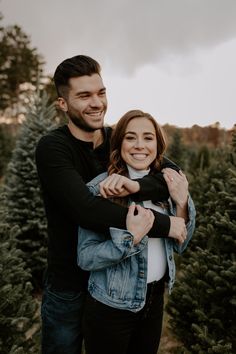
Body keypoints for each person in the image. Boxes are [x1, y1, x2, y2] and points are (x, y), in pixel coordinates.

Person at [35, 55, 187, 354]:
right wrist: (166, 224)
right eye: (84, 95)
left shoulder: (115, 139)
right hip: (70, 284)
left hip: (114, 280)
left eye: (101, 92)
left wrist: (135, 185)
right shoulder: (53, 147)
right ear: (62, 104)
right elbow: (85, 209)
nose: (96, 103)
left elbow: (170, 173)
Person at [77, 110, 196, 354]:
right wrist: (130, 240)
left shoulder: (171, 185)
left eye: (148, 138)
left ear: (158, 144)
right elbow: (86, 256)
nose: (140, 145)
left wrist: (182, 203)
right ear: (119, 143)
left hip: (154, 301)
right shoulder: (102, 189)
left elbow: (181, 244)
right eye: (131, 137)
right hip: (111, 306)